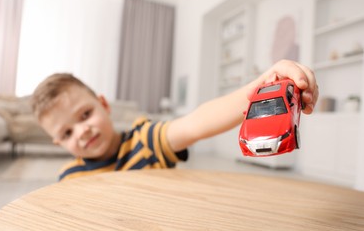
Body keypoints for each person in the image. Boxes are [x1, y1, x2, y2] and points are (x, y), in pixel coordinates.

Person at [31, 59, 319, 181]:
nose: (82, 131)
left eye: (85, 115)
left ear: (104, 105)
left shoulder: (145, 141)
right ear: (58, 143)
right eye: (67, 133)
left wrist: (263, 84)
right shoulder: (69, 178)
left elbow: (197, 122)